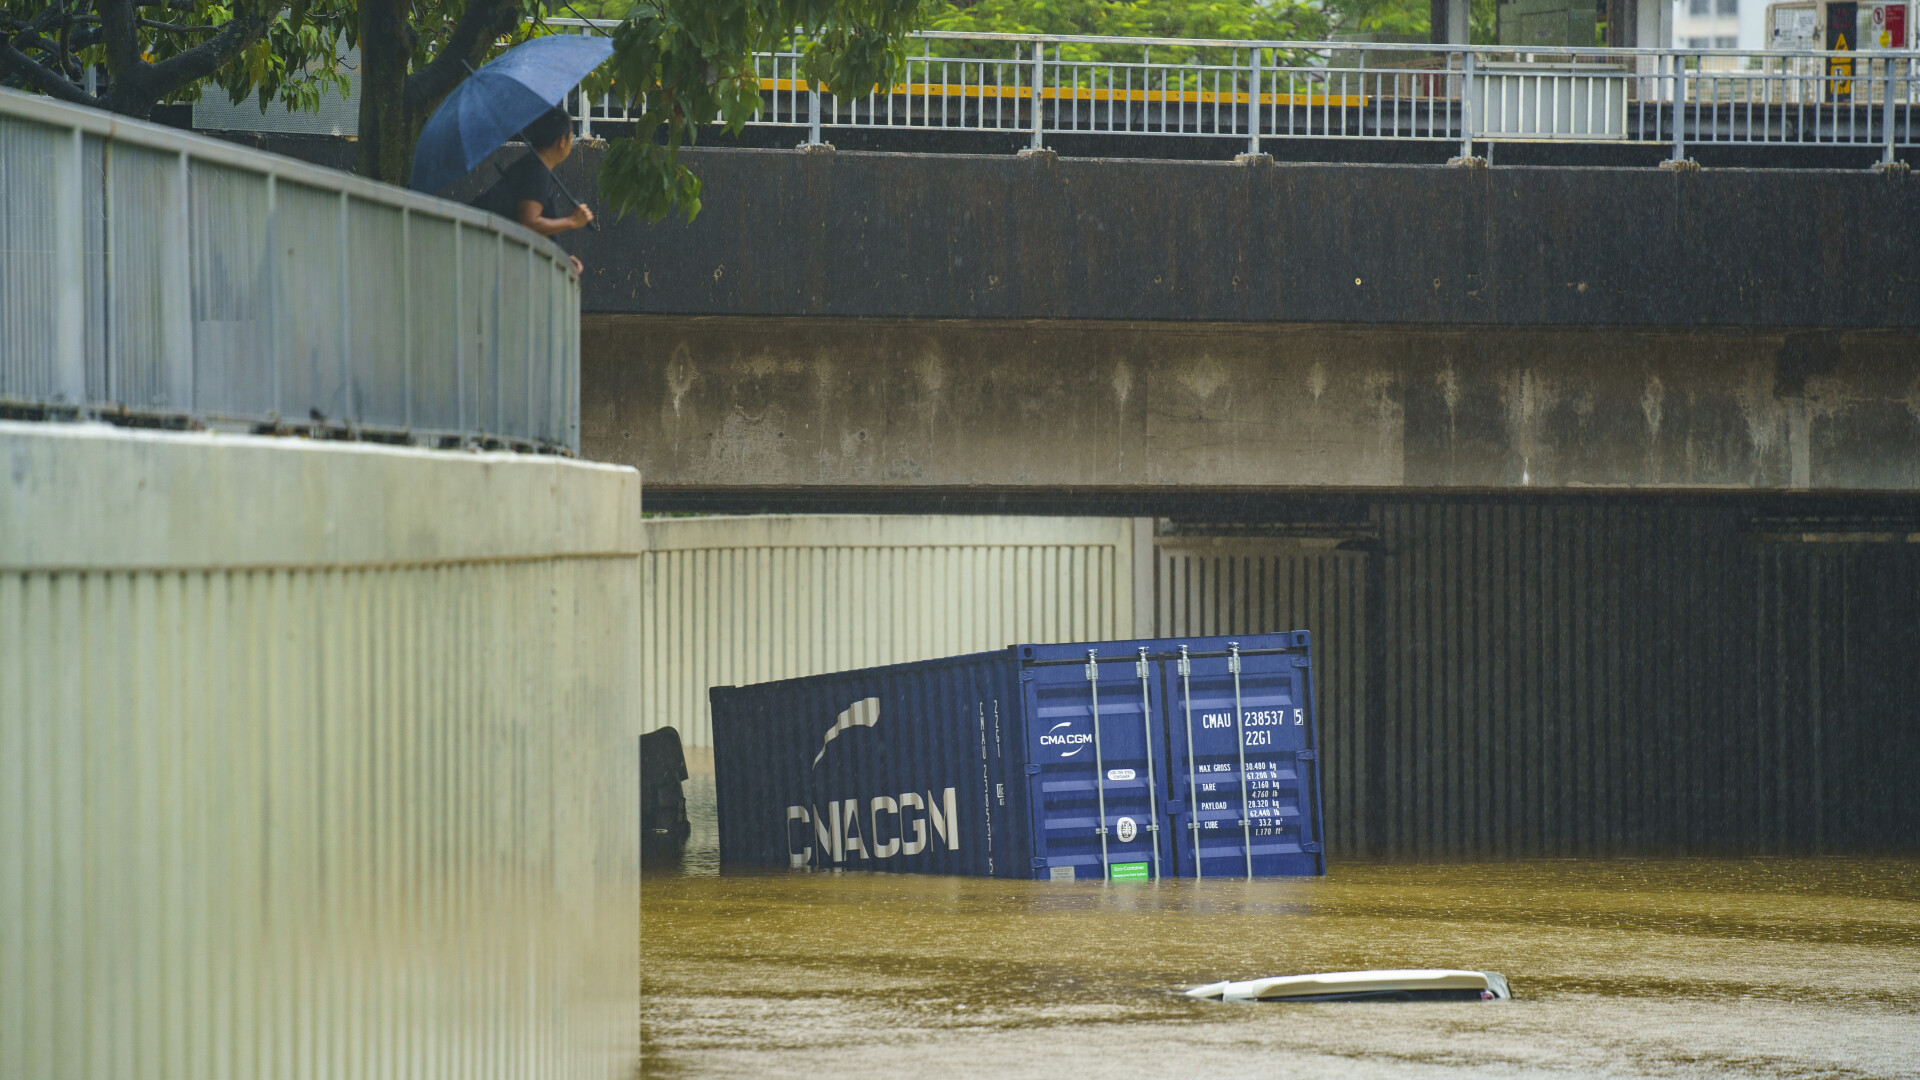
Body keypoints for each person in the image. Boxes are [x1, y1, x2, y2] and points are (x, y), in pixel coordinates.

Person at [472, 107, 592, 274]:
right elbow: (528, 222)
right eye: (571, 138)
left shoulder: (534, 167)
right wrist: (571, 221)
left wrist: (560, 257)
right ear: (562, 141)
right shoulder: (537, 171)